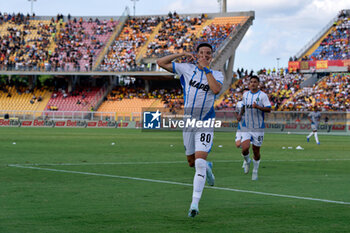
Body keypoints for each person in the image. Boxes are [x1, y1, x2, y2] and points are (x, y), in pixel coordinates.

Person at [157, 42, 224, 218]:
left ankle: (194, 203)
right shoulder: (186, 69)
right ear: (197, 55)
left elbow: (216, 89)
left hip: (205, 122)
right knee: (191, 162)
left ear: (211, 56)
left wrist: (207, 70)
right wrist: (180, 54)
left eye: (208, 53)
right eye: (201, 53)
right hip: (188, 121)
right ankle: (207, 168)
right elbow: (160, 62)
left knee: (199, 162)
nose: (204, 55)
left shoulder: (217, 74)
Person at [237, 76, 271, 181]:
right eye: (251, 82)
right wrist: (240, 114)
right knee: (245, 148)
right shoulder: (245, 95)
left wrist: (258, 107)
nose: (252, 84)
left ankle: (255, 171)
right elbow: (243, 106)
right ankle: (247, 161)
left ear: (258, 84)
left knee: (256, 151)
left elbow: (268, 109)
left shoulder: (263, 96)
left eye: (255, 82)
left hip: (258, 127)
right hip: (246, 125)